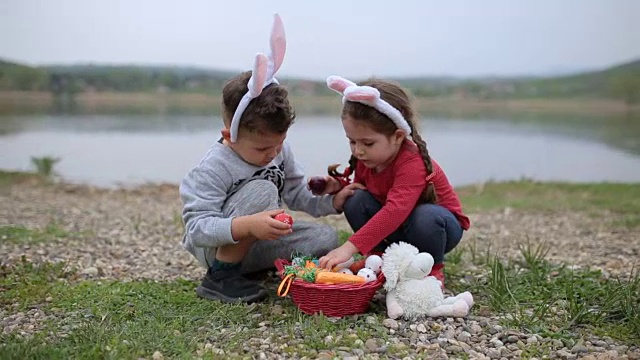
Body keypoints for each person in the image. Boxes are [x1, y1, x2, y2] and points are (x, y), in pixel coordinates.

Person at [180, 15, 345, 303]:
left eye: (279, 144)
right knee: (263, 189)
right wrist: (246, 226)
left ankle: (248, 269)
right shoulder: (212, 167)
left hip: (259, 238)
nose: (272, 154)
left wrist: (332, 200)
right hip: (216, 248)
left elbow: (295, 193)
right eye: (261, 149)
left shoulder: (278, 149)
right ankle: (220, 277)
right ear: (229, 135)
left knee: (325, 239)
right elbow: (196, 230)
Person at [317, 76, 471, 288]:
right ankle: (378, 257)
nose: (358, 150)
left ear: (398, 136)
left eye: (367, 143)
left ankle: (432, 268)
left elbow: (395, 211)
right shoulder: (369, 158)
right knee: (355, 198)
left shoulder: (411, 162)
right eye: (352, 141)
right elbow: (368, 192)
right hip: (400, 229)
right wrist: (339, 187)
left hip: (437, 229)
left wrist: (348, 248)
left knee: (425, 215)